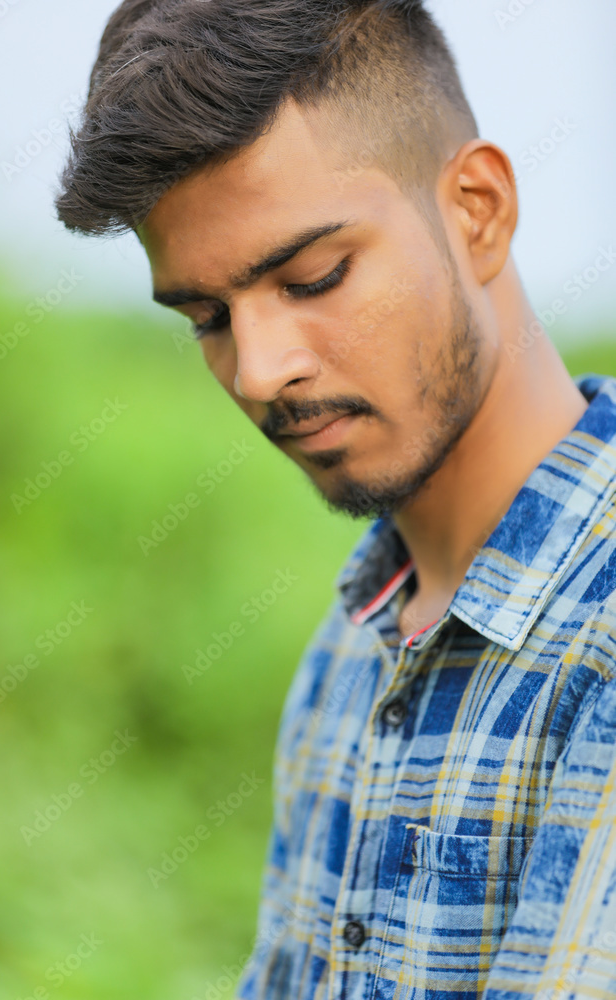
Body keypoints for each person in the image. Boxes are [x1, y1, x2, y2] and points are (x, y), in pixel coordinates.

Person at [55, 1, 616, 996]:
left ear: (476, 210)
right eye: (207, 317)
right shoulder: (348, 648)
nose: (258, 372)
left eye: (312, 278)